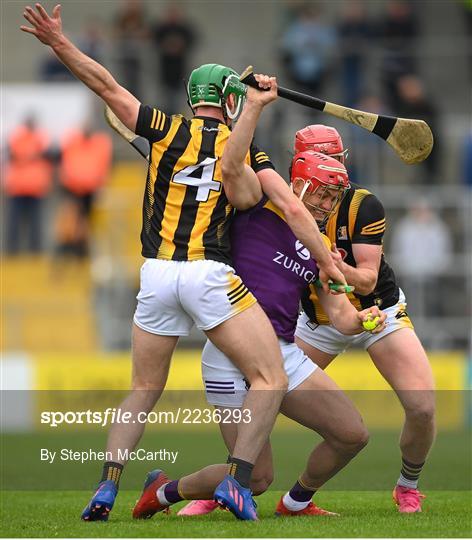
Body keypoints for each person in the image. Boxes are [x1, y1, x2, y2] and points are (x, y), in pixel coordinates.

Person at [21, 4, 346, 522]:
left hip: (154, 274)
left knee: (143, 390)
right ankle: (239, 482)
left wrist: (59, 43)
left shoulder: (164, 130)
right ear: (231, 101)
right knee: (269, 379)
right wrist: (258, 108)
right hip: (206, 273)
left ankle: (107, 487)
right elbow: (248, 195)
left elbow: (105, 84)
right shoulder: (250, 153)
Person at [172, 90, 387, 518]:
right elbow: (232, 165)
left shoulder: (321, 245)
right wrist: (252, 106)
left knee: (352, 434)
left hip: (282, 352)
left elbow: (342, 318)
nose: (327, 206)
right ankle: (167, 491)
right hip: (230, 352)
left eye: (333, 199)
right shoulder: (258, 202)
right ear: (301, 182)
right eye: (322, 195)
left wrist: (363, 320)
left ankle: (295, 504)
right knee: (255, 477)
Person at [292, 124, 436, 513]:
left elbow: (368, 277)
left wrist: (336, 268)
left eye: (338, 162)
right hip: (318, 322)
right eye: (327, 163)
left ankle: (408, 484)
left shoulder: (362, 204)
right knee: (258, 401)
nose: (336, 175)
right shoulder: (282, 208)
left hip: (377, 310)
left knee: (422, 406)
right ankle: (234, 486)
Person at [56, 123, 112, 257]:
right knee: (72, 222)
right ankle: (71, 247)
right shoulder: (76, 143)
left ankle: (80, 249)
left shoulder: (97, 145)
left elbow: (103, 166)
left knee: (84, 222)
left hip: (88, 190)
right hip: (73, 188)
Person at [4, 114, 53, 254]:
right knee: (14, 224)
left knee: (35, 225)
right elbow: (14, 154)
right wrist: (30, 155)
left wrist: (26, 156)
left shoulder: (41, 138)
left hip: (35, 189)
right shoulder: (17, 138)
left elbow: (46, 155)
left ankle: (35, 253)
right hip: (17, 188)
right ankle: (12, 253)